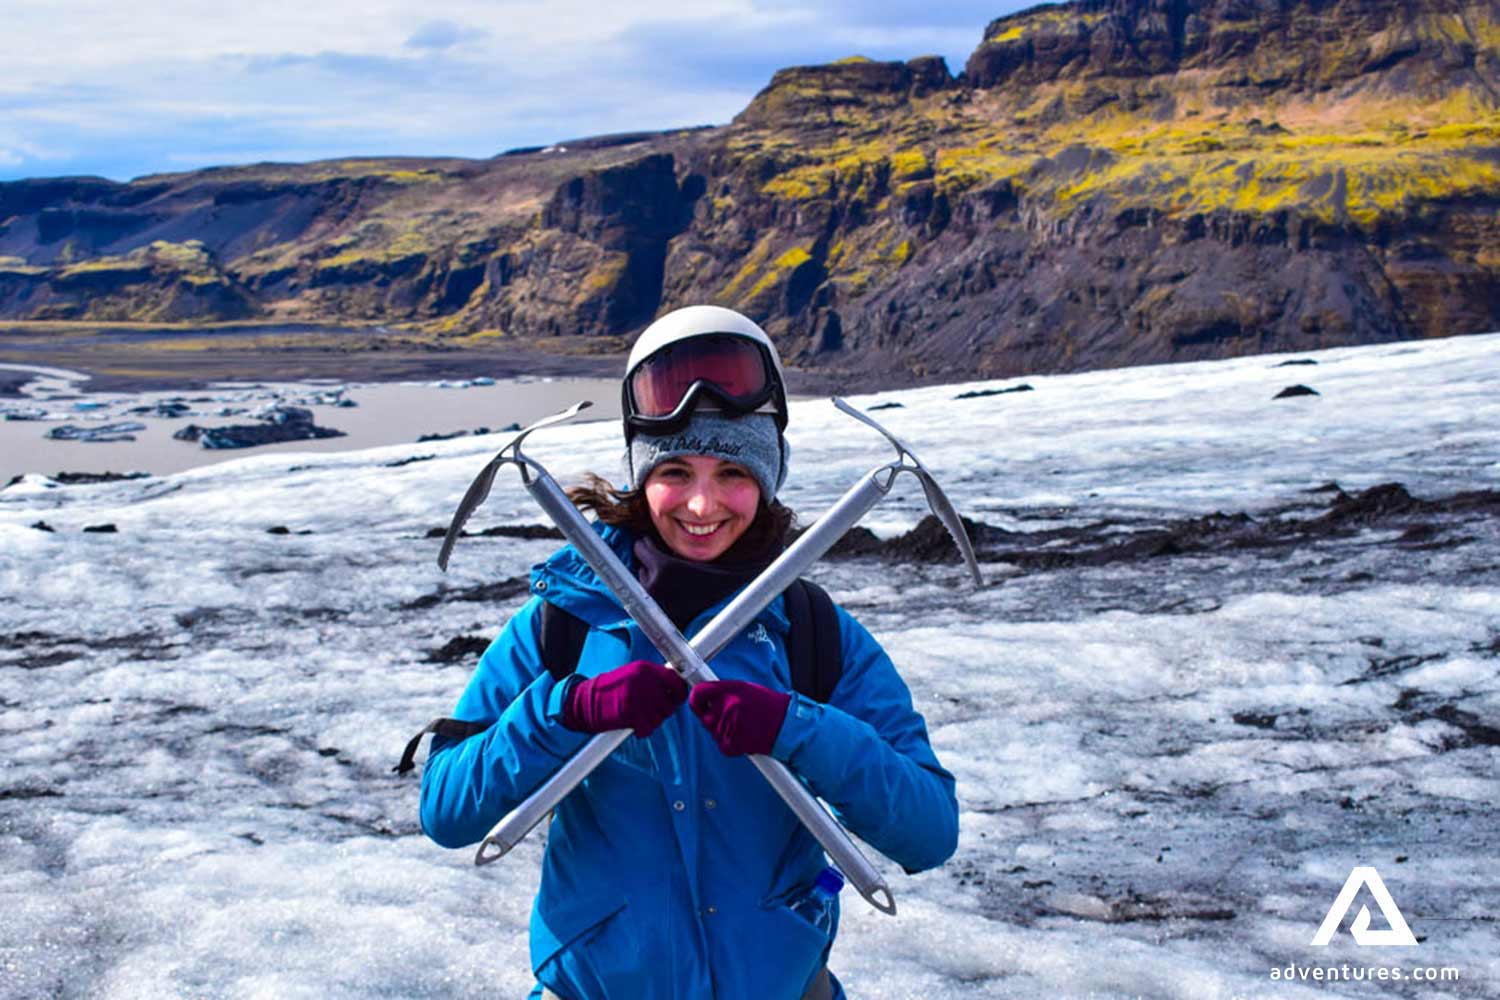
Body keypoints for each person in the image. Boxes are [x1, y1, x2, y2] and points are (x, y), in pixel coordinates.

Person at [419, 305, 959, 1000]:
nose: (703, 506)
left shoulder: (815, 634)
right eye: (675, 470)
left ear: (767, 481)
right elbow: (447, 810)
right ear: (641, 475)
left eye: (732, 473)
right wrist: (567, 712)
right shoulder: (562, 623)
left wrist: (796, 728)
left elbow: (928, 831)